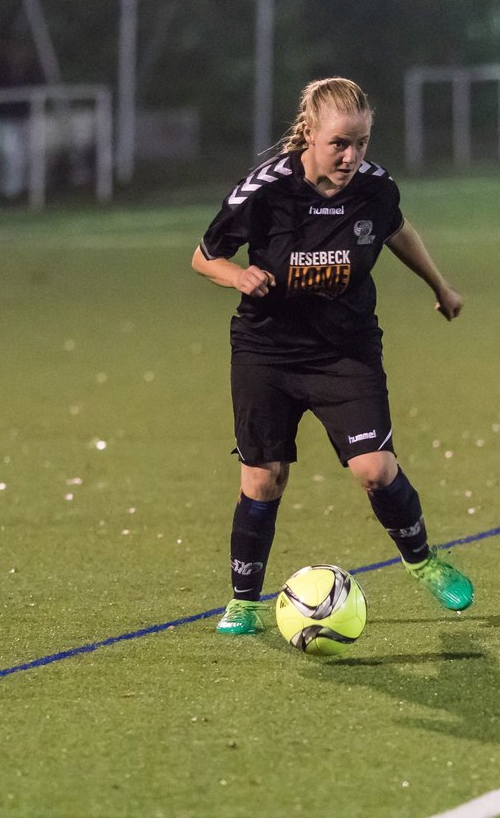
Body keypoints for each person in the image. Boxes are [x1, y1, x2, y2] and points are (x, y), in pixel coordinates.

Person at [191, 77, 474, 635]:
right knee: (263, 478)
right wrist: (237, 275)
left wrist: (439, 286)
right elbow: (203, 257)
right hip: (267, 351)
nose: (351, 156)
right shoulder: (265, 189)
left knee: (375, 468)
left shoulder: (374, 187)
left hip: (346, 349)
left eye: (362, 142)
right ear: (309, 134)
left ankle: (424, 563)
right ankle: (244, 603)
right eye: (339, 143)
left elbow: (397, 231)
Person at [0, 31, 44, 201]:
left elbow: (38, 83)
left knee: (23, 155)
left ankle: (22, 191)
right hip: (2, 118)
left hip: (22, 115)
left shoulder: (27, 66)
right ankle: (9, 193)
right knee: (9, 154)